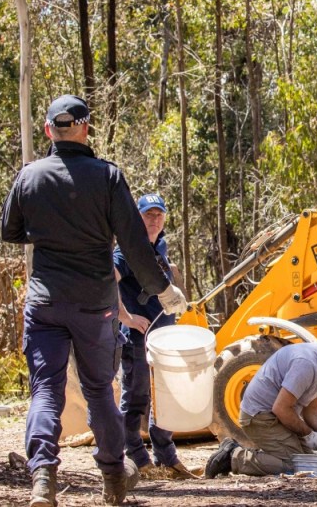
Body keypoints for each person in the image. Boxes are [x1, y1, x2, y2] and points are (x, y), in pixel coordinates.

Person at [1, 95, 188, 507]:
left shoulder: (29, 176)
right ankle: (113, 480)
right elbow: (136, 245)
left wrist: (51, 231)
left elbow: (10, 231)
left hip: (45, 301)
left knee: (45, 391)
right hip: (95, 304)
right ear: (86, 129)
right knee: (100, 389)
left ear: (49, 130)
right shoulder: (106, 177)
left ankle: (43, 480)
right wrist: (164, 289)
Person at [113, 193, 195, 480]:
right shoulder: (125, 251)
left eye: (159, 215)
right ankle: (137, 457)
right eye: (148, 215)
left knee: (167, 398)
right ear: (137, 218)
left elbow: (167, 277)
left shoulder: (160, 245)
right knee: (135, 398)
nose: (154, 220)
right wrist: (126, 317)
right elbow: (108, 280)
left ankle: (167, 457)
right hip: (137, 339)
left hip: (165, 339)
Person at [204, 341, 317, 478]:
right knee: (294, 464)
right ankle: (233, 456)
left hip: (277, 417)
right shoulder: (307, 364)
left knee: (310, 461)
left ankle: (266, 454)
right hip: (259, 416)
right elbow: (281, 409)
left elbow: (310, 412)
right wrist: (310, 435)